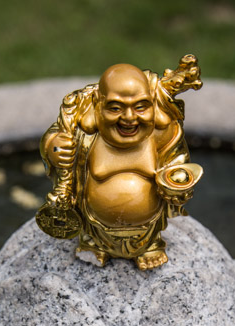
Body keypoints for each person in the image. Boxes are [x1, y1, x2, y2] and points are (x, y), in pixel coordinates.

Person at [37, 55, 202, 270]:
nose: (129, 117)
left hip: (147, 225)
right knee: (93, 235)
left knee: (148, 238)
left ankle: (149, 246)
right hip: (95, 222)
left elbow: (177, 159)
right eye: (115, 108)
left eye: (141, 107)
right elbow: (55, 137)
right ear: (97, 107)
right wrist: (54, 147)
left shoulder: (161, 132)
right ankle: (93, 243)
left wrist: (176, 184)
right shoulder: (85, 133)